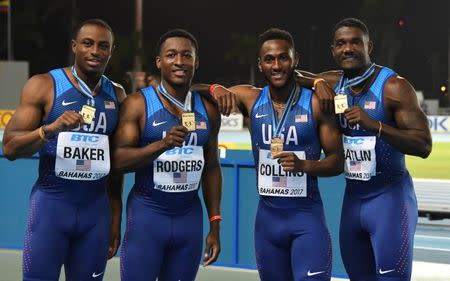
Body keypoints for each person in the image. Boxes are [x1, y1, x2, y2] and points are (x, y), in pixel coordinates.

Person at [205, 28, 343, 281]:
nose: (277, 65)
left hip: (307, 219)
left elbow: (337, 161)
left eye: (283, 58)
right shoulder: (249, 98)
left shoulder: (314, 103)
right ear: (260, 64)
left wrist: (304, 165)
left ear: (295, 60)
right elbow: (192, 90)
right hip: (267, 222)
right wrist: (215, 88)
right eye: (269, 59)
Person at [299, 18, 432, 281]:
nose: (347, 48)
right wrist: (316, 84)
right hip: (353, 200)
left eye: (355, 42)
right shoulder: (331, 82)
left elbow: (423, 145)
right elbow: (290, 74)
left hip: (390, 199)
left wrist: (376, 126)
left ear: (369, 46)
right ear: (333, 50)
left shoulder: (394, 87)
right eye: (341, 44)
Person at [2, 19, 125, 281]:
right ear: (74, 47)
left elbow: (116, 163)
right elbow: (10, 147)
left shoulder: (117, 94)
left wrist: (116, 216)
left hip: (96, 214)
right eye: (88, 43)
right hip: (51, 208)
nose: (95, 51)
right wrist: (49, 129)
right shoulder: (44, 85)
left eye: (103, 46)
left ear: (111, 51)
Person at [112, 29, 222, 281]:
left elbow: (212, 166)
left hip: (189, 220)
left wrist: (215, 223)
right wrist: (160, 146)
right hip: (147, 216)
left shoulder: (208, 109)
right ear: (159, 62)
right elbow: (116, 161)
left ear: (196, 61)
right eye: (171, 55)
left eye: (187, 55)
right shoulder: (138, 104)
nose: (179, 62)